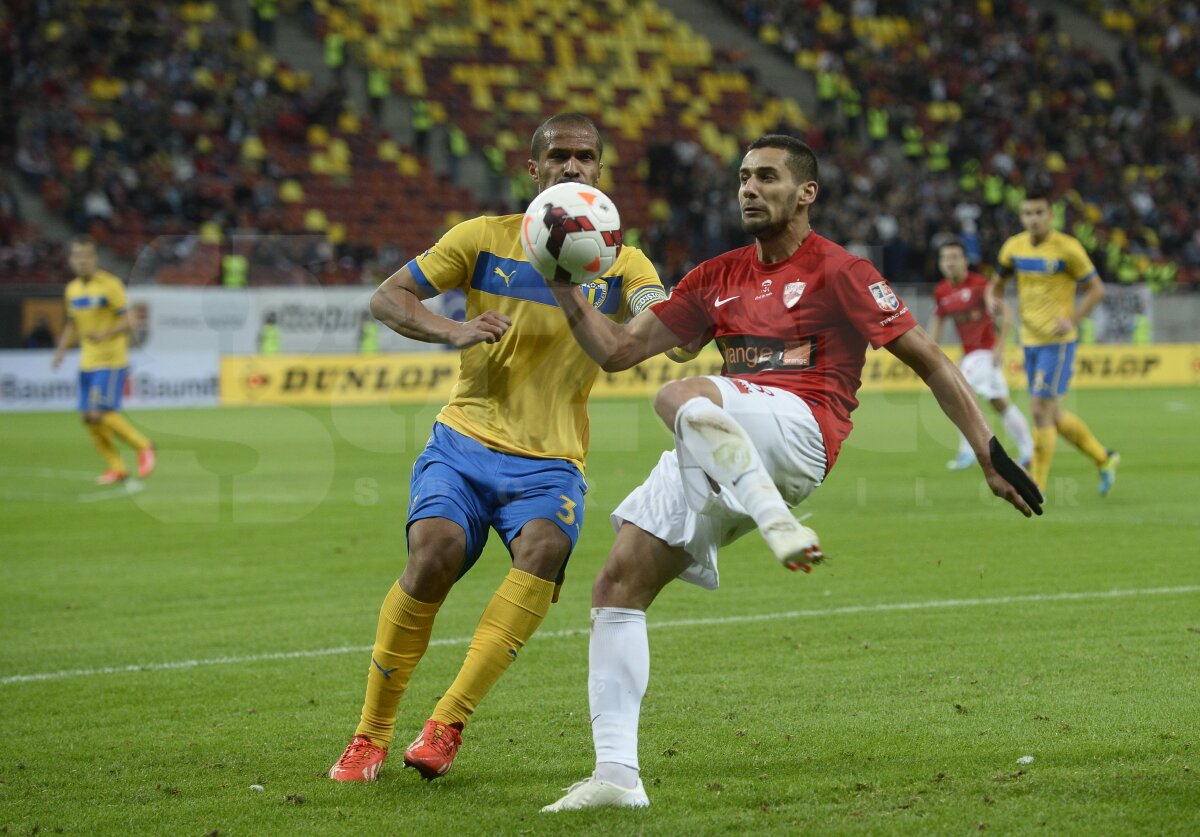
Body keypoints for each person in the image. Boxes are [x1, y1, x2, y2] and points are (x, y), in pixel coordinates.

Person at [536, 135, 1042, 812]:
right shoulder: (716, 277)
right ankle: (618, 775)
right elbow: (620, 350)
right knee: (617, 582)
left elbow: (931, 360)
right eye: (744, 176)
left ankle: (777, 519)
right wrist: (565, 290)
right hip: (724, 438)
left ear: (806, 192)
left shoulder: (843, 271)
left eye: (768, 177)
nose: (750, 188)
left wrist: (987, 450)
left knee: (680, 395)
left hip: (802, 431)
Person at [328, 113, 669, 783]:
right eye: (560, 157)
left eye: (586, 158)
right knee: (434, 555)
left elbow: (661, 315)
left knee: (545, 550)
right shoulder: (481, 238)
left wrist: (670, 311)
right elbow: (388, 296)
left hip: (552, 462)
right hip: (464, 442)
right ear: (533, 169)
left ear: (600, 172)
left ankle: (447, 721)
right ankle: (368, 735)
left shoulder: (621, 260)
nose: (573, 167)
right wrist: (447, 329)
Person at [995, 191, 1120, 496]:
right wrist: (993, 303)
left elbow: (1097, 289)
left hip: (1058, 342)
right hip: (1029, 340)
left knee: (1039, 409)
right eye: (1027, 213)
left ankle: (1036, 484)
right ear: (1021, 217)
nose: (1033, 219)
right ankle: (1104, 458)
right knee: (1053, 414)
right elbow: (996, 287)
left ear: (1051, 215)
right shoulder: (1013, 247)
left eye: (1039, 212)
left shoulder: (1067, 248)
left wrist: (1073, 319)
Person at [51, 237, 155, 484]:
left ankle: (144, 446)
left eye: (87, 257)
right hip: (87, 362)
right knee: (88, 418)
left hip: (111, 360)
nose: (82, 262)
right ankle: (117, 468)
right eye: (77, 257)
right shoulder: (72, 290)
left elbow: (129, 320)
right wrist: (61, 351)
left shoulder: (110, 285)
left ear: (94, 259)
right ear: (71, 261)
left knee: (99, 413)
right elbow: (73, 323)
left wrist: (105, 334)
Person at [929, 239, 1033, 471]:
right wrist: (931, 350)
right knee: (1000, 404)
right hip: (970, 356)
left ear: (965, 261)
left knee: (958, 398)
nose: (950, 263)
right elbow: (938, 321)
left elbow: (1006, 314)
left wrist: (999, 347)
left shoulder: (981, 286)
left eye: (955, 257)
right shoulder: (942, 291)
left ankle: (967, 453)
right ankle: (1029, 451)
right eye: (945, 258)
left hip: (985, 354)